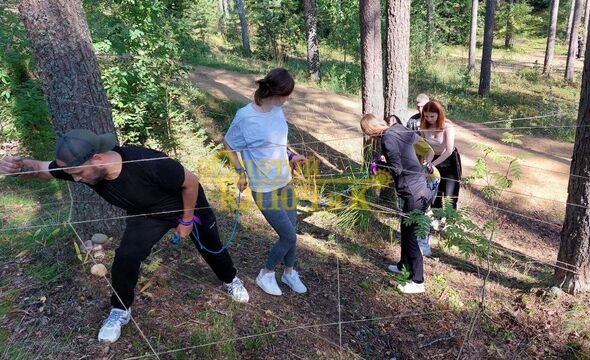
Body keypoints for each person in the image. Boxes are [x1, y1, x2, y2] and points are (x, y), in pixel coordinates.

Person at [0, 129, 249, 343]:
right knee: (126, 256)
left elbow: (191, 183)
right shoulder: (83, 167)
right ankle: (120, 309)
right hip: (147, 214)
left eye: (78, 174)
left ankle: (230, 279)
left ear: (97, 158)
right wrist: (18, 165)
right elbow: (42, 169)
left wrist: (185, 220)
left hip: (186, 204)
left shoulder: (148, 163)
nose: (74, 179)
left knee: (211, 246)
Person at [223, 68, 307, 297]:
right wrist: (241, 171)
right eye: (286, 94)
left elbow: (278, 143)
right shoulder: (245, 116)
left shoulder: (277, 111)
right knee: (288, 236)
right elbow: (229, 144)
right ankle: (266, 273)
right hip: (263, 187)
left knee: (292, 231)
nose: (288, 99)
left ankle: (289, 272)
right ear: (276, 92)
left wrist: (291, 156)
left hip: (285, 181)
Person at [360, 114, 434, 294]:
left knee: (410, 237)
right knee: (405, 228)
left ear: (370, 131)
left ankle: (418, 281)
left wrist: (379, 165)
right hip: (421, 187)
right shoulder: (398, 128)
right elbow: (416, 141)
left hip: (413, 192)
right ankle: (403, 265)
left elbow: (397, 169)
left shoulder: (386, 139)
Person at [385, 115, 440, 256]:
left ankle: (424, 244)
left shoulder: (409, 137)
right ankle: (410, 242)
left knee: (423, 212)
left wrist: (424, 167)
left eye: (393, 125)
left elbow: (430, 151)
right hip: (411, 181)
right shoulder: (392, 140)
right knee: (406, 212)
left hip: (428, 177)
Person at [420, 100, 462, 210]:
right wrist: (427, 163)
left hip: (449, 161)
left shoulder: (448, 128)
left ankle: (449, 221)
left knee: (450, 195)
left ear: (439, 114)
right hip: (432, 158)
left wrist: (432, 164)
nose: (429, 119)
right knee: (435, 192)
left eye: (432, 116)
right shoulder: (424, 127)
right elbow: (426, 148)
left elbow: (449, 150)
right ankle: (436, 220)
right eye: (426, 116)